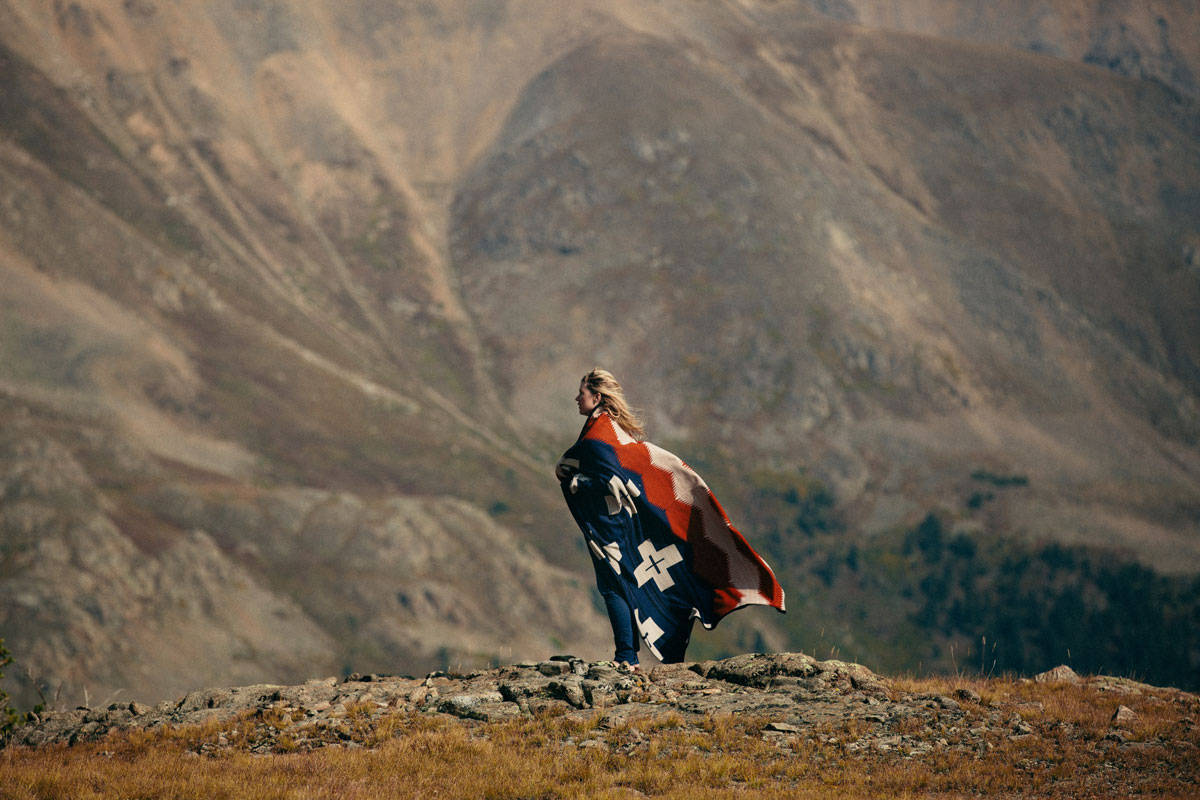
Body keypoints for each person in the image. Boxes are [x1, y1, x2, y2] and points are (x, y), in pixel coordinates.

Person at [556, 368, 785, 670]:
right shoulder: (610, 431)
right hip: (621, 524)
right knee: (620, 584)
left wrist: (574, 480)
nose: (576, 397)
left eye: (582, 392)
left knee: (613, 585)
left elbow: (580, 468)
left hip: (615, 529)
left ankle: (626, 655)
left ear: (597, 396)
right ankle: (627, 654)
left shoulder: (599, 436)